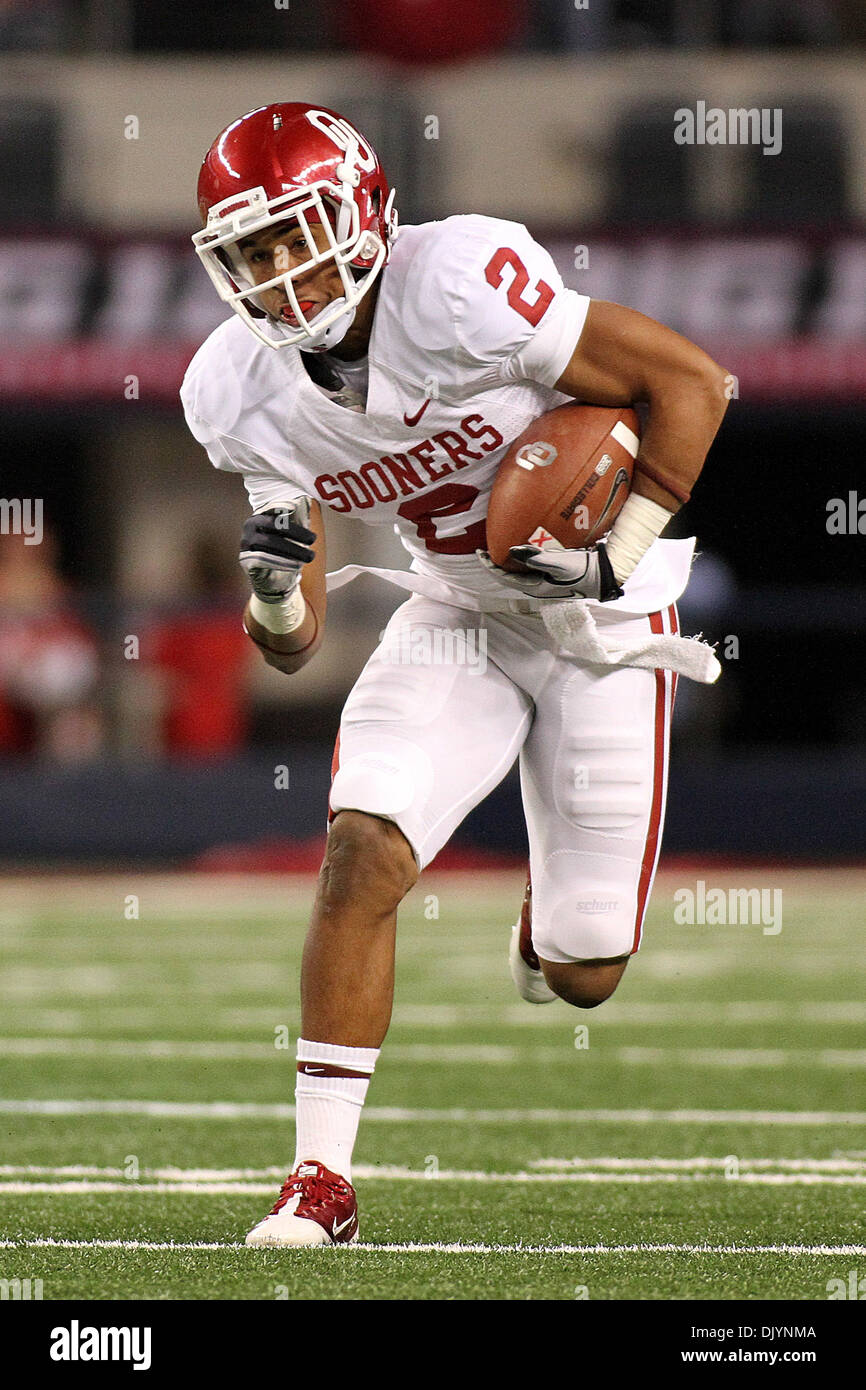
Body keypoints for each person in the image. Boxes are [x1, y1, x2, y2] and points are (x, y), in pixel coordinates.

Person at [181, 102, 730, 1247]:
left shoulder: (461, 281)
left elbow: (694, 385)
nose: (279, 272)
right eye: (253, 251)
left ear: (364, 212)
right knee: (359, 849)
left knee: (585, 972)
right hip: (454, 611)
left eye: (296, 234)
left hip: (605, 614)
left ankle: (548, 932)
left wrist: (606, 554)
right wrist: (275, 593)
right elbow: (290, 640)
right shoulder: (236, 389)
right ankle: (318, 1179)